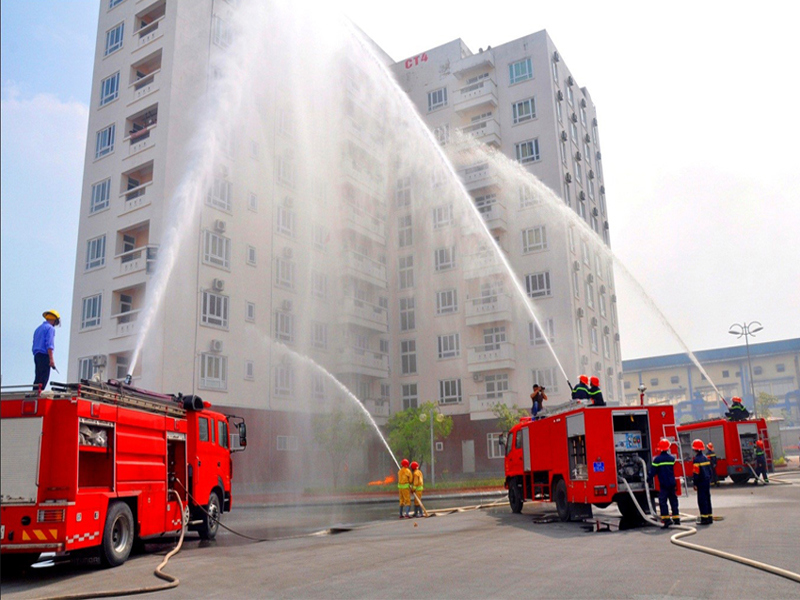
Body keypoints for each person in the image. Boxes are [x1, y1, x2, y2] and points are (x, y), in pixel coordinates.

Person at [647, 438, 680, 528]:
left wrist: (648, 479)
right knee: (673, 501)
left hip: (664, 484)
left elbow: (653, 472)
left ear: (660, 448)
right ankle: (676, 519)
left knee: (663, 502)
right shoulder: (671, 459)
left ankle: (666, 520)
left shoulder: (657, 460)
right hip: (672, 483)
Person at [32, 310, 61, 390]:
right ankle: (39, 393)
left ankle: (34, 393)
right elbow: (49, 345)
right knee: (44, 378)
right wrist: (51, 359)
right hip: (44, 355)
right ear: (54, 320)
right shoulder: (50, 328)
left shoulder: (38, 329)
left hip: (37, 355)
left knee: (38, 377)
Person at [691, 439, 714, 525]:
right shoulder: (706, 458)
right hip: (707, 481)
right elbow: (710, 470)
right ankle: (709, 517)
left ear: (695, 449)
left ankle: (704, 519)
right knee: (707, 499)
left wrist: (695, 483)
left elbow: (696, 473)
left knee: (702, 500)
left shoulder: (696, 460)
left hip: (700, 482)